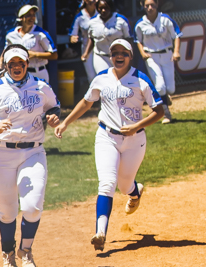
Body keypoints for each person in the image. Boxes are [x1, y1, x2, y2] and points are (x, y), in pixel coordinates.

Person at [55, 39, 163, 253]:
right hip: (106, 137)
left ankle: (134, 193)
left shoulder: (140, 80)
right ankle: (100, 233)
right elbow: (87, 102)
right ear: (110, 56)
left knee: (124, 185)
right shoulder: (101, 78)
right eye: (115, 53)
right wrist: (65, 123)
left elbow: (159, 111)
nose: (119, 56)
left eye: (124, 52)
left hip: (135, 140)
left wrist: (136, 126)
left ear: (131, 56)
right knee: (107, 183)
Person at [0, 44, 61, 267]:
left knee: (32, 207)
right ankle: (8, 252)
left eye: (20, 63)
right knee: (7, 211)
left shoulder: (41, 87)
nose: (16, 67)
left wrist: (53, 117)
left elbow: (54, 106)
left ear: (27, 63)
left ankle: (26, 250)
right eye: (11, 63)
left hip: (33, 152)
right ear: (5, 65)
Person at [134, 0, 181, 124]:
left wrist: (176, 51)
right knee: (160, 86)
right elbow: (137, 40)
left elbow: (176, 35)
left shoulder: (165, 19)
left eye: (152, 5)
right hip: (151, 56)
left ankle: (165, 96)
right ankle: (166, 113)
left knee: (170, 89)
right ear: (142, 6)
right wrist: (143, 52)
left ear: (157, 5)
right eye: (147, 5)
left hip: (167, 54)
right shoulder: (141, 23)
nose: (150, 8)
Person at [0, 5, 57, 83]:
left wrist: (35, 54)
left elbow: (54, 55)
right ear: (21, 18)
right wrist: (0, 61)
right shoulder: (11, 34)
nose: (32, 18)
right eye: (28, 15)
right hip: (19, 74)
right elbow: (7, 49)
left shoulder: (40, 33)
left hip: (38, 72)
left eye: (33, 15)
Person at [83, 0, 131, 74]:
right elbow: (92, 39)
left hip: (118, 56)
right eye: (100, 8)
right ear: (96, 8)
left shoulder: (121, 20)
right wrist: (86, 53)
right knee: (104, 79)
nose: (103, 11)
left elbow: (128, 39)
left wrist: (129, 56)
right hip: (101, 56)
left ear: (111, 7)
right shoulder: (93, 22)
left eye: (106, 8)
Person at [70, 0, 99, 84]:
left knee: (102, 74)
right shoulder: (80, 16)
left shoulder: (101, 12)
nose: (95, 1)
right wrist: (73, 38)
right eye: (93, 0)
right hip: (87, 50)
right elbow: (73, 33)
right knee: (91, 76)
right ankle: (96, 96)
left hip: (101, 48)